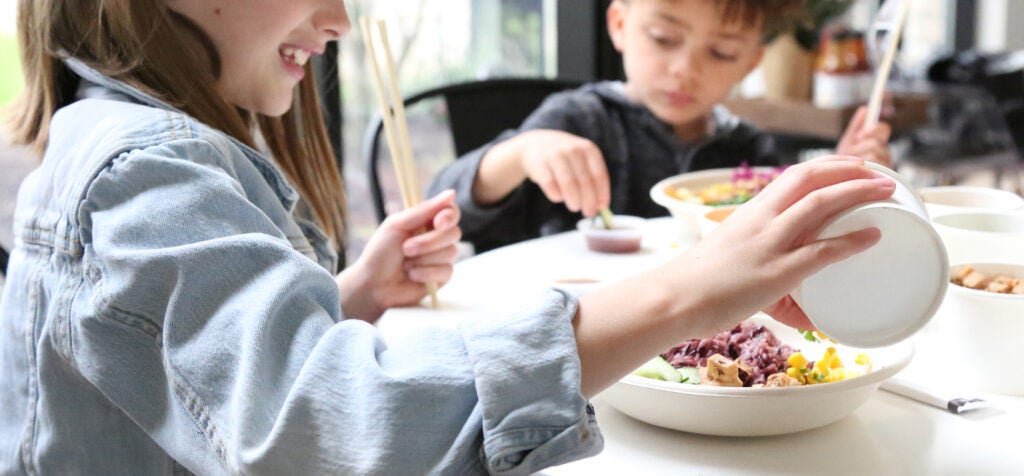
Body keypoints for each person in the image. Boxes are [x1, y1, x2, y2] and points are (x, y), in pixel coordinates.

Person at [0, 0, 897, 474]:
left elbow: (192, 375)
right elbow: (326, 430)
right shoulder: (138, 176)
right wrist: (693, 288)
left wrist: (350, 294)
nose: (342, 21)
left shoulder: (136, 151)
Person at [428, 0, 894, 252]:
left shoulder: (749, 149)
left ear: (750, 62)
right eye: (663, 38)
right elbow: (443, 211)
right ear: (619, 25)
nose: (684, 70)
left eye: (721, 53)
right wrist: (522, 153)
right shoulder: (579, 120)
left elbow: (790, 245)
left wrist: (846, 182)